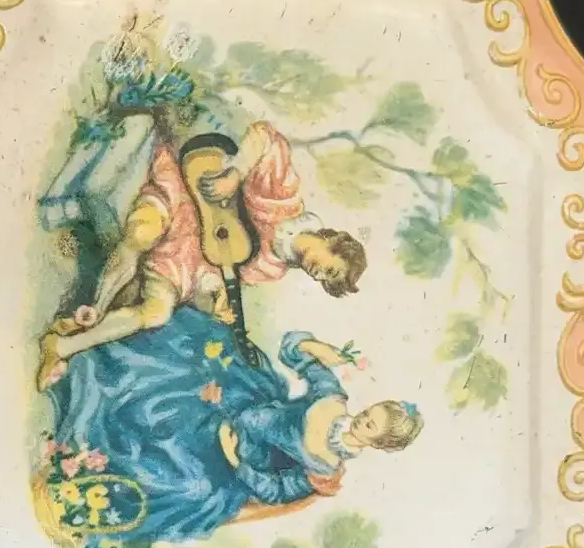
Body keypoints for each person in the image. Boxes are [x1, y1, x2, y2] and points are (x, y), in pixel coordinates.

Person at [39, 304, 423, 548]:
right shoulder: (331, 398)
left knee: (189, 485)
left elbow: (274, 491)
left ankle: (82, 491)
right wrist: (314, 346)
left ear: (377, 443)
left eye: (369, 425)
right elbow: (292, 351)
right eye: (368, 412)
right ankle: (84, 359)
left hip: (236, 458)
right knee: (181, 373)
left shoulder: (324, 469)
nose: (360, 419)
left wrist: (235, 458)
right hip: (242, 402)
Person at [35, 122, 367, 391]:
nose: (318, 274)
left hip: (186, 256)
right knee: (141, 233)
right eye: (330, 270)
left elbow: (218, 264)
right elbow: (265, 136)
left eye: (324, 281)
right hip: (181, 193)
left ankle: (60, 347)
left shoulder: (273, 267)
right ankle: (95, 306)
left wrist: (214, 298)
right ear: (333, 242)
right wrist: (234, 175)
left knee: (157, 314)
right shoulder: (283, 200)